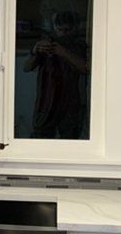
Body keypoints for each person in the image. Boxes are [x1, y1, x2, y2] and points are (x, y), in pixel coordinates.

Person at [23, 10, 89, 138]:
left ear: (74, 29)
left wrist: (63, 52)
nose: (63, 34)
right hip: (46, 103)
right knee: (40, 140)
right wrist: (34, 51)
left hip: (70, 104)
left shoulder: (79, 45)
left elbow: (85, 68)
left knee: (70, 142)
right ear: (54, 28)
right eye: (60, 30)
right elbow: (26, 68)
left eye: (67, 30)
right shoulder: (46, 44)